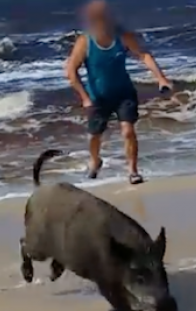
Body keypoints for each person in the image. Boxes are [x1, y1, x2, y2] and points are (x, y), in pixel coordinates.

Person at [65, 0, 172, 185]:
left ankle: (133, 171)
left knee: (128, 131)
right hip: (97, 96)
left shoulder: (122, 37)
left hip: (124, 93)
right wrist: (85, 98)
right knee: (94, 136)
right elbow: (71, 72)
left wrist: (161, 78)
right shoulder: (85, 42)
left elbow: (143, 55)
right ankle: (95, 160)